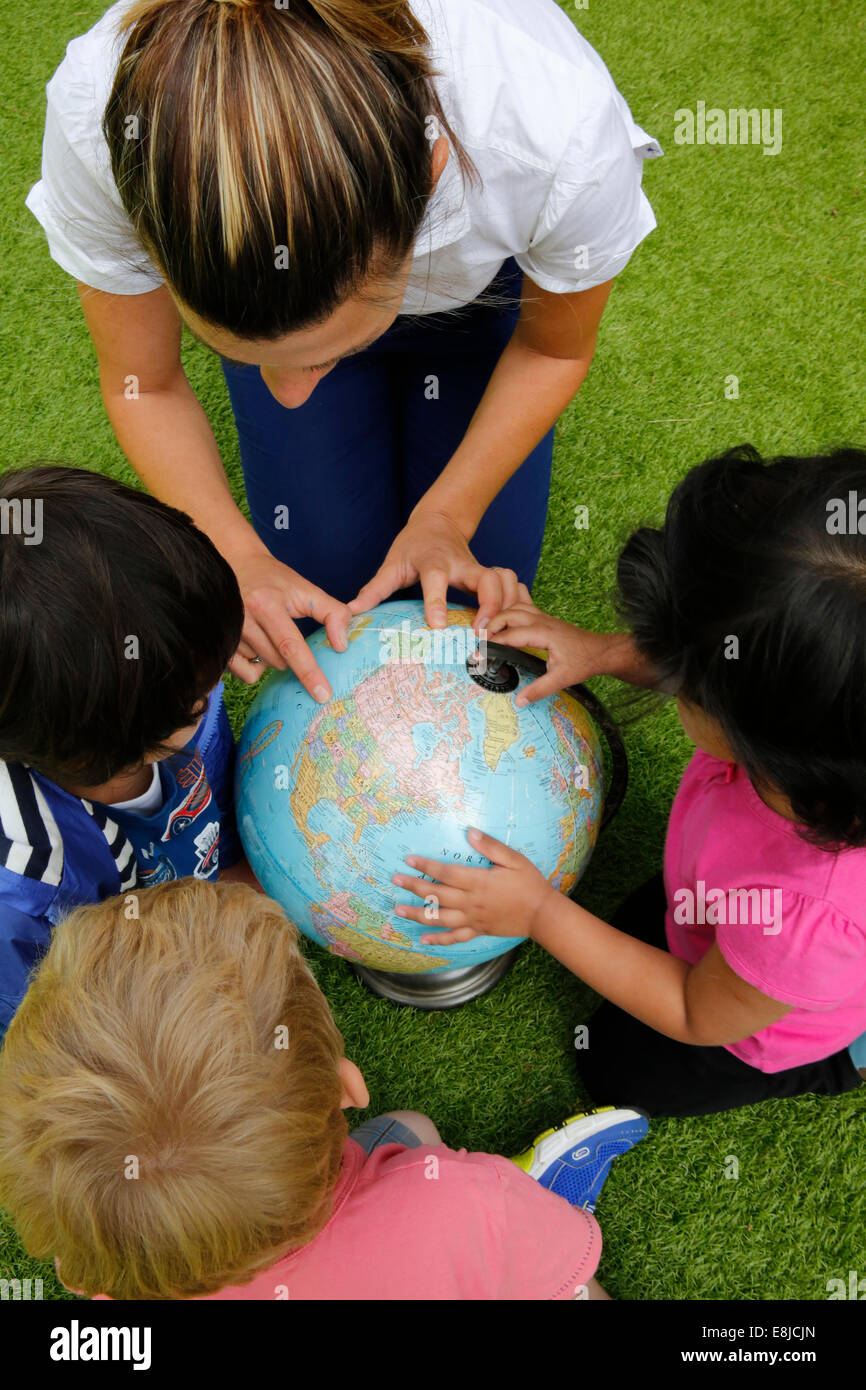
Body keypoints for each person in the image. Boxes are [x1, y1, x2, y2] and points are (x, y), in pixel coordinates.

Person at [26, 0, 661, 699]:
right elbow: (142, 380)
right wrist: (235, 556)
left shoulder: (553, 123)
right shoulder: (102, 112)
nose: (293, 392)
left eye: (325, 353)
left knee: (468, 591)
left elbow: (551, 352)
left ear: (429, 175)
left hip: (478, 302)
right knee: (331, 582)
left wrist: (446, 518)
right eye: (243, 349)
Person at [392, 445, 866, 1117]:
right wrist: (600, 651)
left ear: (770, 735)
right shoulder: (816, 721)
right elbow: (726, 655)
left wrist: (538, 915)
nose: (667, 671)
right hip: (719, 901)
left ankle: (842, 1061)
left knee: (614, 1067)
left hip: (741, 1028)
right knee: (646, 928)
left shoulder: (808, 918)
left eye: (684, 674)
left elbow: (695, 1010)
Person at [0, 877, 648, 1300]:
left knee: (412, 1133)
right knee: (420, 1137)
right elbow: (576, 1273)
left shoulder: (115, 1265)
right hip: (464, 1235)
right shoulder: (459, 1204)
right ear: (347, 1086)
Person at [0, 465, 247, 1038]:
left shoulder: (163, 686)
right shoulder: (27, 889)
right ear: (93, 756)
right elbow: (48, 1049)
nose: (219, 689)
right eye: (196, 699)